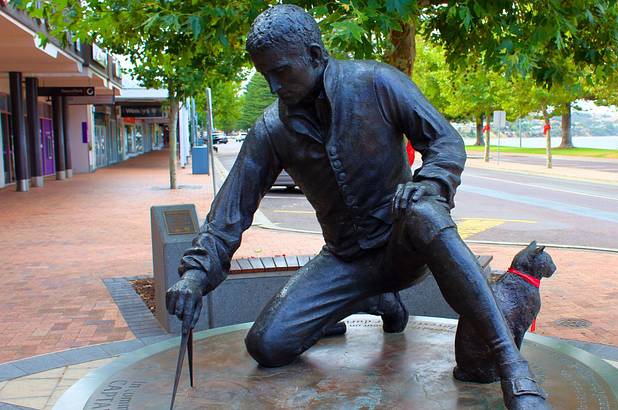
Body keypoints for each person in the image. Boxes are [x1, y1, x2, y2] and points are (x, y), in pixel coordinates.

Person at [166, 5, 548, 409]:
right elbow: (230, 212)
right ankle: (370, 300)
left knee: (425, 209)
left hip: (405, 243)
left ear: (315, 55)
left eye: (281, 72)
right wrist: (194, 275)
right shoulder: (271, 129)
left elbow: (445, 142)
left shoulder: (377, 83)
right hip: (345, 260)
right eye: (265, 75)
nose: (274, 86)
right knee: (267, 346)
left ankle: (512, 366)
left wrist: (430, 183)